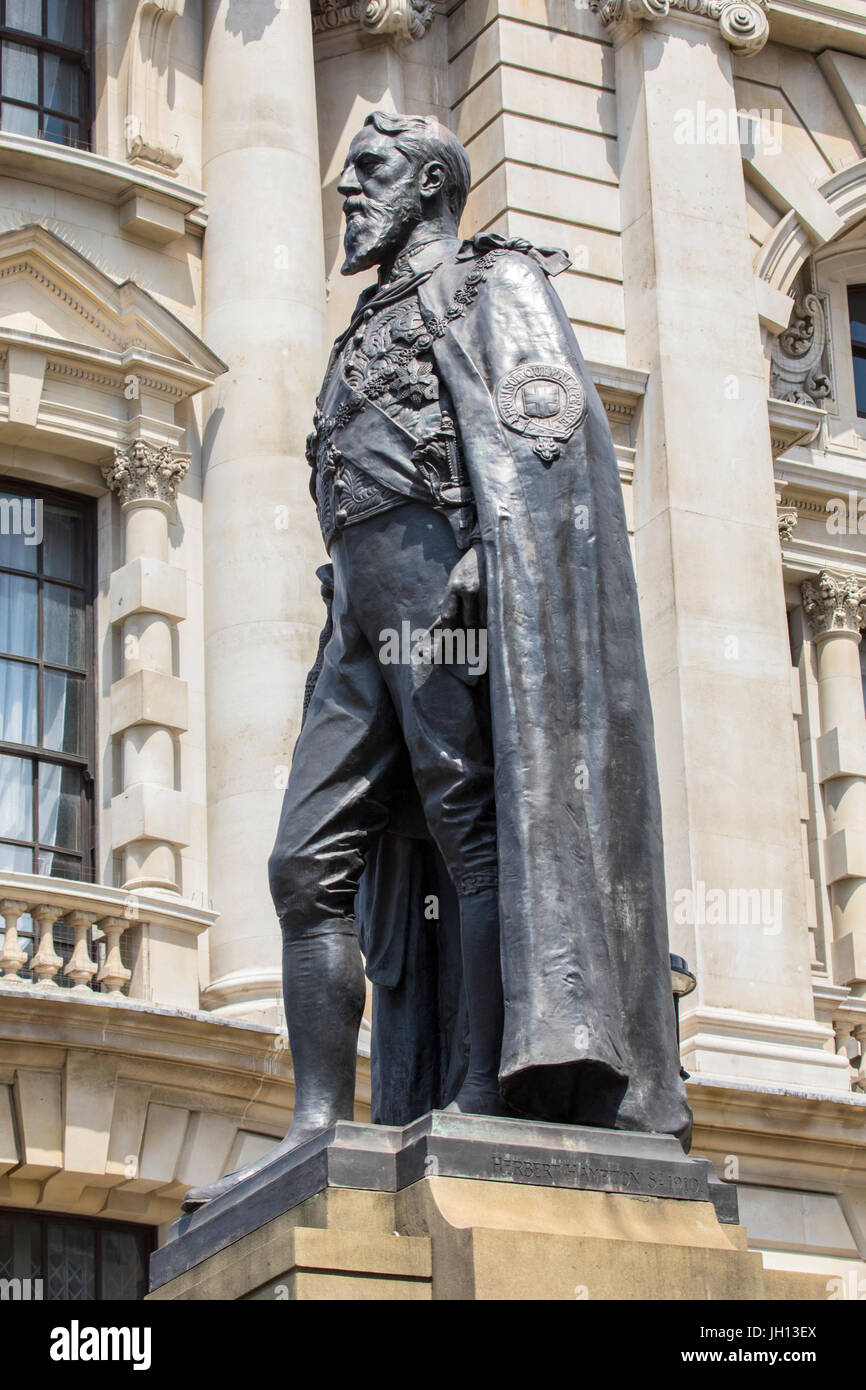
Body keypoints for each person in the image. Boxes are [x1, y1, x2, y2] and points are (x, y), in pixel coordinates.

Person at [183, 111, 690, 1212]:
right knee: (301, 860)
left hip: (446, 589)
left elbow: (545, 440)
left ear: (427, 182)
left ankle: (481, 1079)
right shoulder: (362, 320)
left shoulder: (489, 286)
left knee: (472, 835)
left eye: (368, 173)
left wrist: (492, 556)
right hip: (358, 611)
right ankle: (319, 1114)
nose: (347, 193)